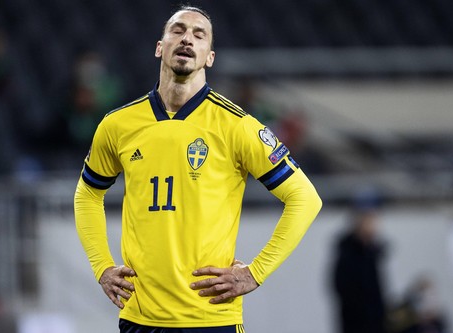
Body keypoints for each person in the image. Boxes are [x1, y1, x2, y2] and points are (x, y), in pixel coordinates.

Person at [74, 5, 322, 332]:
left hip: (210, 319)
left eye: (198, 34)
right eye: (177, 30)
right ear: (160, 47)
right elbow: (88, 194)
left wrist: (256, 272)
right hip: (139, 318)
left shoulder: (237, 126)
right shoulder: (117, 125)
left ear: (209, 57)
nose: (187, 38)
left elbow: (305, 198)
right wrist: (102, 267)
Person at [332, 205, 387, 333]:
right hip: (356, 321)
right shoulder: (348, 253)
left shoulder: (372, 252)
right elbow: (341, 286)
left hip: (375, 320)